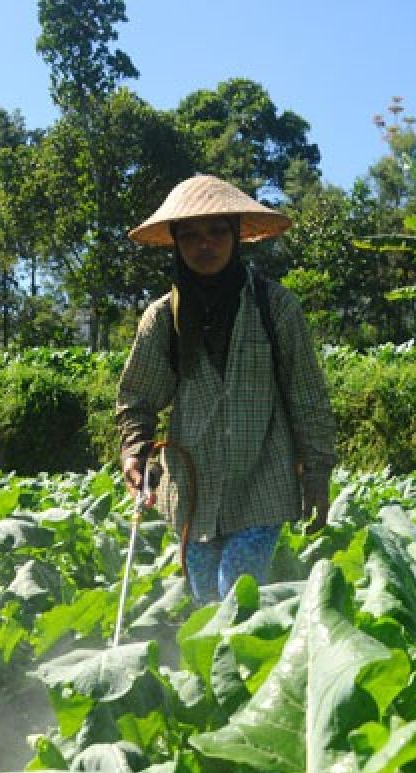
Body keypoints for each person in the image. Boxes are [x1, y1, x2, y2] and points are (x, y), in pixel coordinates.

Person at [115, 174, 337, 604]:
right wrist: (134, 452)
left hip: (262, 480)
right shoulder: (163, 319)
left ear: (237, 236)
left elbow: (307, 398)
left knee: (234, 592)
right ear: (177, 243)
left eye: (218, 231)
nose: (206, 245)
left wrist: (317, 475)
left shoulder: (276, 308)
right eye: (192, 235)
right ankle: (217, 673)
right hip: (192, 487)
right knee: (204, 602)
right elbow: (137, 398)